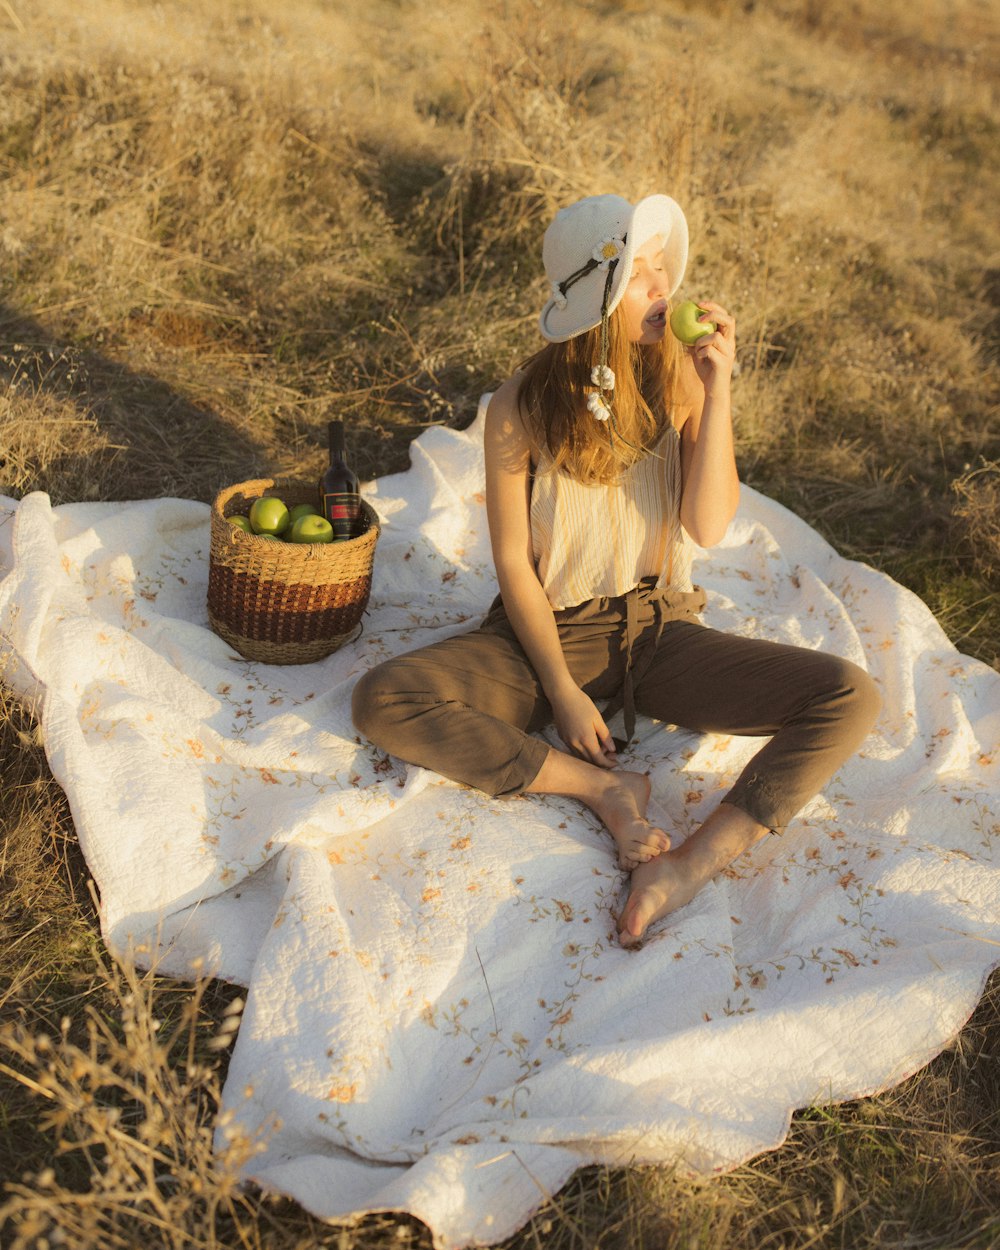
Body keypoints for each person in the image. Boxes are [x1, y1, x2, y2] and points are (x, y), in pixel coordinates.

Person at [352, 192, 881, 947]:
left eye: (663, 269)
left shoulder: (682, 379)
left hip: (658, 630)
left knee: (848, 696)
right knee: (384, 699)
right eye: (641, 276)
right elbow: (512, 562)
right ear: (596, 302)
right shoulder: (521, 405)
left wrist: (719, 385)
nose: (665, 288)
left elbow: (707, 524)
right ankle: (605, 788)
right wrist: (563, 693)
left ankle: (685, 868)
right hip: (548, 636)